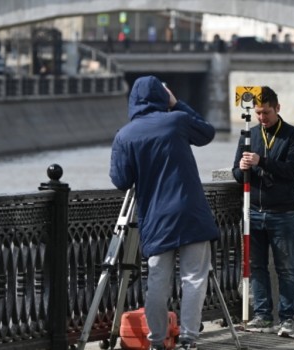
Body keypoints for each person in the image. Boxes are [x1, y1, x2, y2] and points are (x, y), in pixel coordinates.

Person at [110, 75, 220, 350]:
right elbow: (207, 133)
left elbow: (121, 180)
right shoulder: (177, 121)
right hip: (191, 212)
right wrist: (177, 103)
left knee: (157, 280)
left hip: (157, 218)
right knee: (194, 277)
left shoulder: (125, 135)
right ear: (162, 96)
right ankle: (188, 340)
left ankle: (157, 341)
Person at [232, 86, 294, 338]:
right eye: (258, 113)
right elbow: (235, 173)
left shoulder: (292, 136)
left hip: (281, 212)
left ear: (278, 109)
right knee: (256, 267)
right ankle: (263, 316)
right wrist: (242, 167)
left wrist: (261, 161)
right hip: (253, 211)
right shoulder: (249, 135)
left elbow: (291, 171)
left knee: (285, 268)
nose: (262, 117)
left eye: (266, 112)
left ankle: (287, 319)